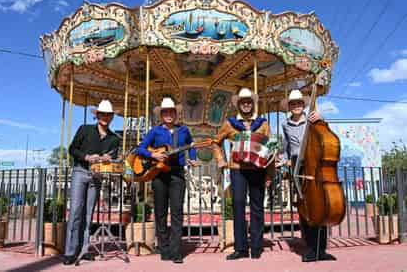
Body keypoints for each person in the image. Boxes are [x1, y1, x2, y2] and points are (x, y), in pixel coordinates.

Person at [212, 88, 274, 260]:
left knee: (257, 208)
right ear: (238, 104)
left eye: (249, 101)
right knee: (238, 207)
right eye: (243, 101)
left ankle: (256, 247)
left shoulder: (263, 124)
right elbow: (216, 143)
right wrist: (220, 160)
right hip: (237, 169)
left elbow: (271, 149)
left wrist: (270, 175)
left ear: (252, 104)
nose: (246, 104)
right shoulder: (230, 124)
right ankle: (240, 248)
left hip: (257, 170)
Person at [136, 97, 198, 264]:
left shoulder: (183, 130)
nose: (169, 114)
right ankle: (164, 248)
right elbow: (140, 148)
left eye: (172, 112)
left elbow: (191, 145)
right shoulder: (154, 131)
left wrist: (193, 157)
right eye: (166, 112)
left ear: (176, 114)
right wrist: (153, 154)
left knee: (177, 212)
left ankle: (176, 251)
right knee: (160, 212)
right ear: (161, 114)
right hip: (159, 175)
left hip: (177, 174)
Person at [280, 89, 336, 262]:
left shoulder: (313, 120)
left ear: (303, 105)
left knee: (320, 205)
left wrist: (322, 121)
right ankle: (311, 248)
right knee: (304, 207)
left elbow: (325, 136)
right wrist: (284, 161)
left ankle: (322, 249)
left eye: (299, 103)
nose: (296, 106)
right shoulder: (285, 125)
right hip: (297, 165)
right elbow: (286, 147)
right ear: (289, 107)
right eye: (293, 103)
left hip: (313, 162)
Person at [63, 100, 120, 265]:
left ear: (111, 117)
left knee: (88, 214)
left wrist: (108, 159)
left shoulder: (114, 139)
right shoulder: (85, 129)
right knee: (75, 211)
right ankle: (70, 251)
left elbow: (112, 159)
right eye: (102, 114)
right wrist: (87, 157)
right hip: (81, 171)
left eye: (108, 115)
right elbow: (72, 149)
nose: (105, 117)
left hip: (96, 176)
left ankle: (84, 249)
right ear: (97, 115)